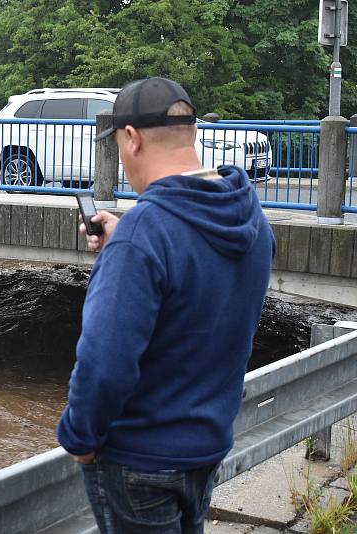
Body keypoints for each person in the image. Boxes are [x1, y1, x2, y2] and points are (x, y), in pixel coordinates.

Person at [56, 77, 275, 534]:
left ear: (131, 138)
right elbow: (207, 293)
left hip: (139, 461)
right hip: (206, 446)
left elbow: (104, 364)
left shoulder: (143, 239)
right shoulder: (249, 216)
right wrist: (129, 239)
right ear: (191, 132)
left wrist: (79, 439)